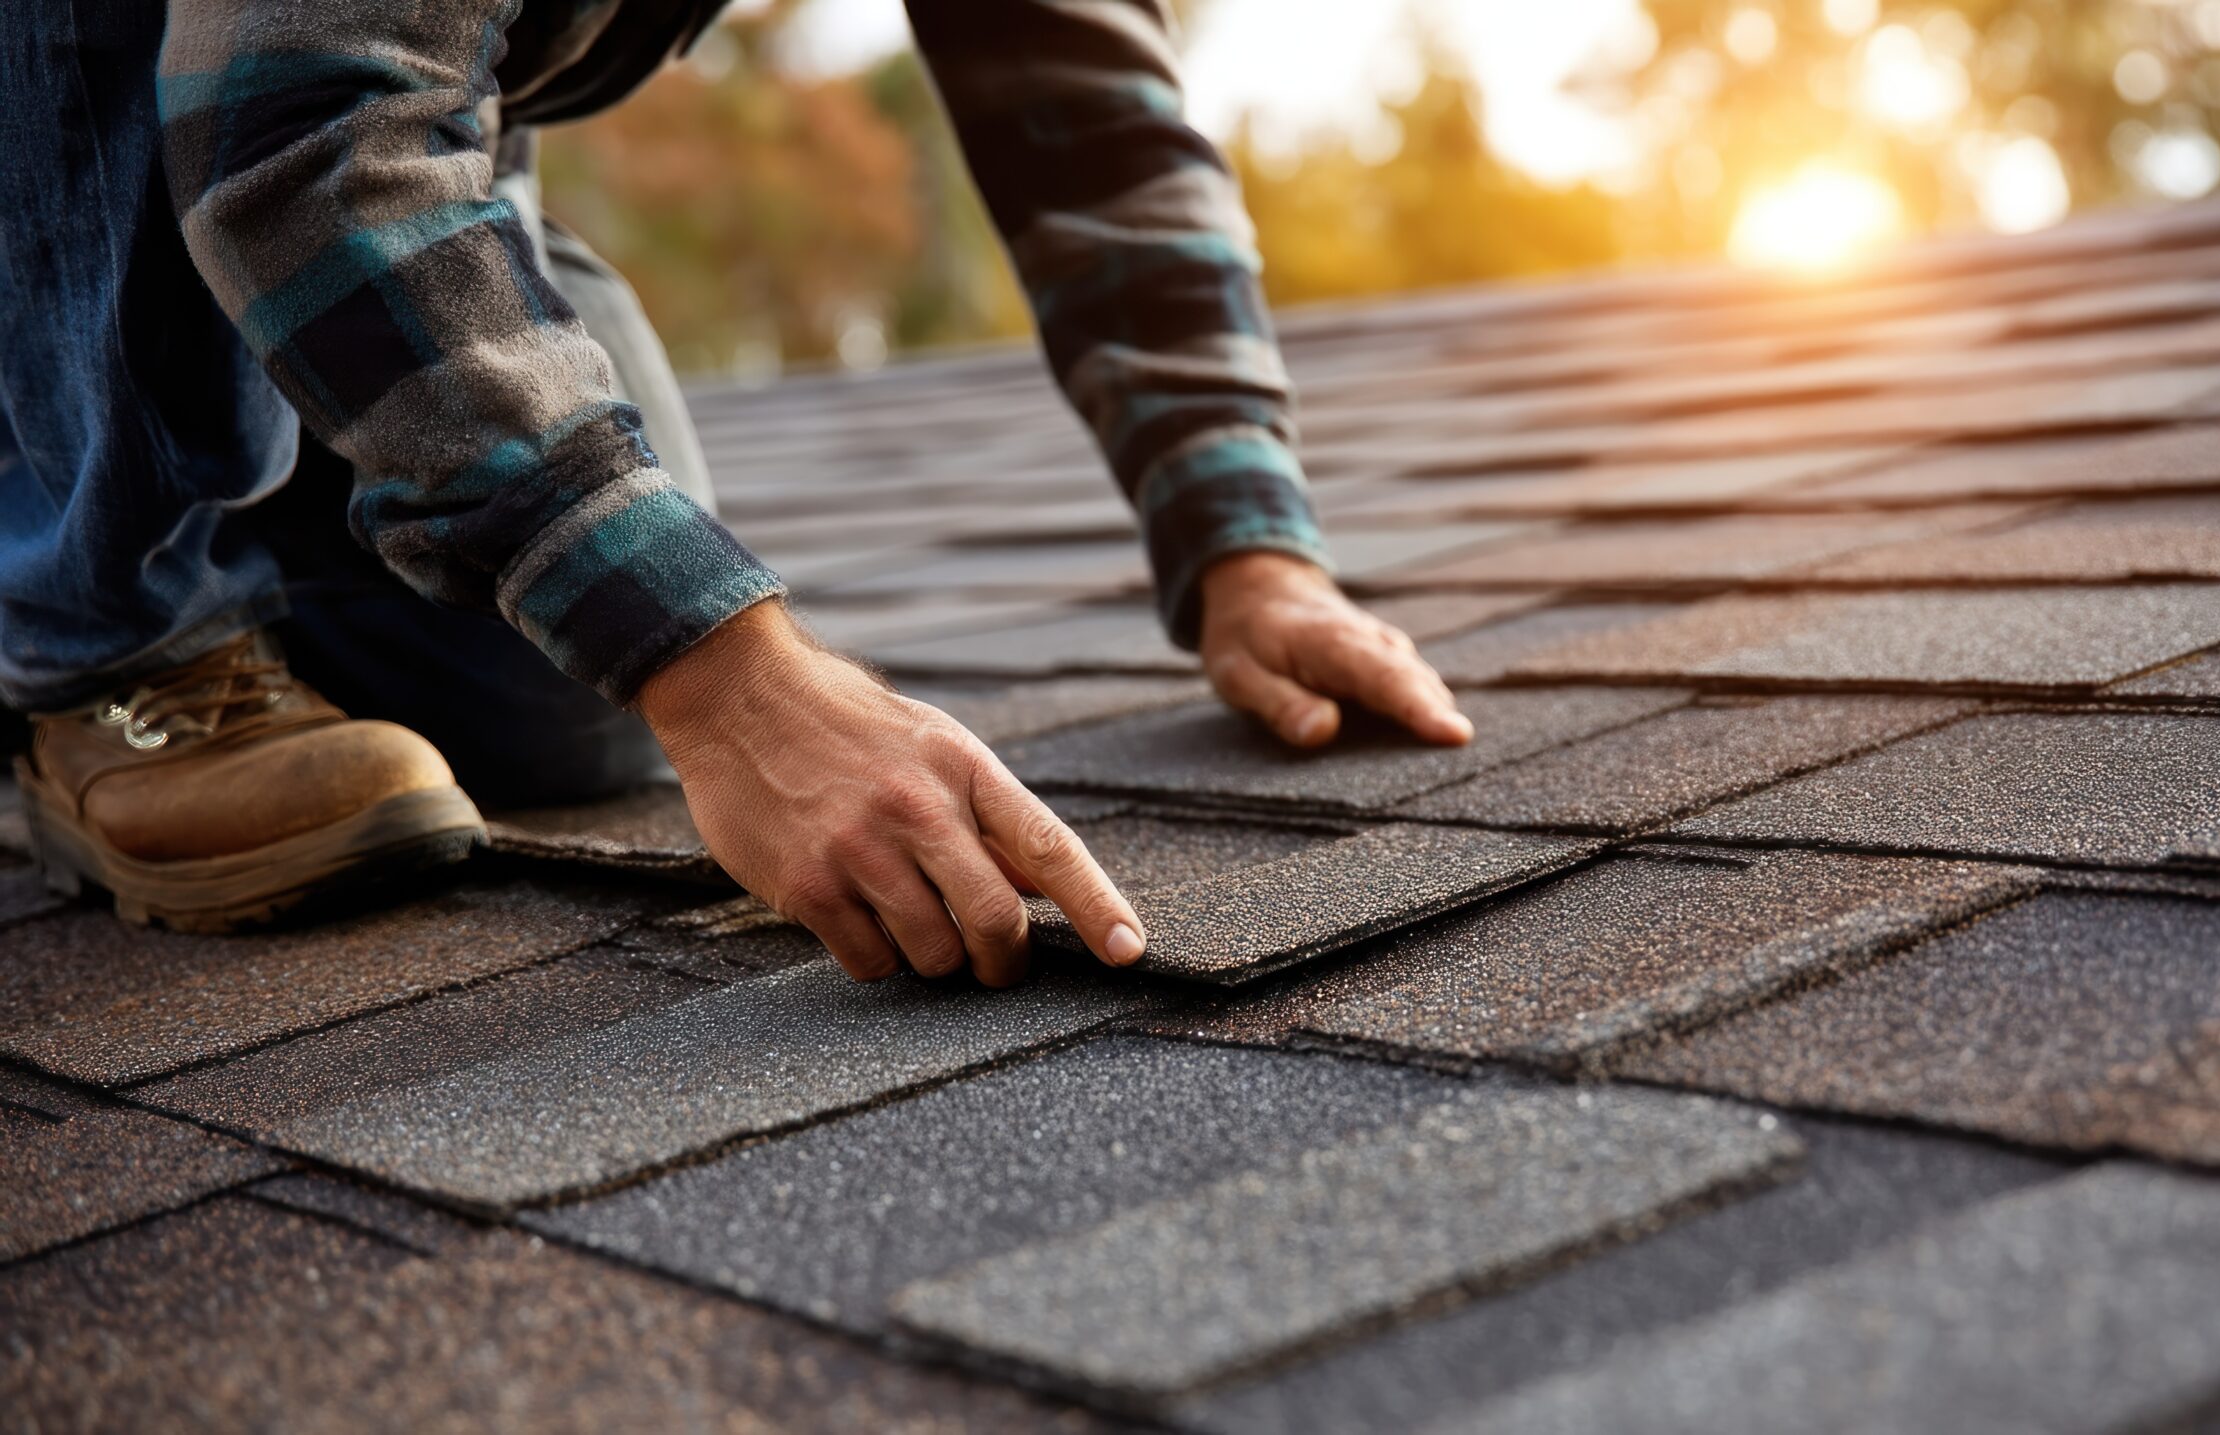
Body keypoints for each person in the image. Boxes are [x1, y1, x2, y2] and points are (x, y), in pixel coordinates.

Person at [0, 0, 1471, 987]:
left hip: (383, 127)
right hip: (173, 109)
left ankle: (246, 407)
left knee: (563, 694)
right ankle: (101, 630)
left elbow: (1090, 111)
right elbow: (301, 112)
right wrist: (734, 687)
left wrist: (1244, 539)